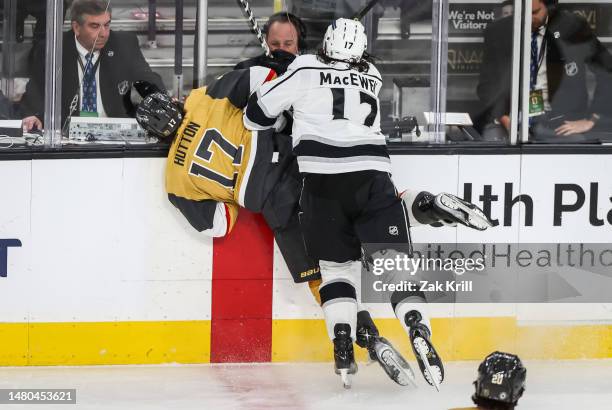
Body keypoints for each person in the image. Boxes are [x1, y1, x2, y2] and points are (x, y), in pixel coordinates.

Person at [134, 62, 418, 387]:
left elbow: (220, 223)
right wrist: (279, 118)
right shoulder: (202, 97)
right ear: (171, 102)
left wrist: (234, 190)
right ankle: (400, 269)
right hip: (300, 166)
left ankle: (370, 339)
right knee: (368, 219)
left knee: (324, 279)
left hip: (276, 206)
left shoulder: (175, 180)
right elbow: (264, 78)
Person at [244, 18, 493, 388]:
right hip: (373, 175)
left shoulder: (304, 66)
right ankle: (418, 325)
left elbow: (255, 117)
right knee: (395, 267)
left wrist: (284, 96)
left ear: (325, 44)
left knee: (337, 272)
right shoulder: (372, 75)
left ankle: (343, 345)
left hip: (322, 184)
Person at [20, 0, 165, 132]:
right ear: (76, 27)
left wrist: (161, 99)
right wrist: (35, 115)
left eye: (107, 25)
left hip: (116, 132)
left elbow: (147, 77)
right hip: (67, 134)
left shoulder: (124, 44)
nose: (103, 33)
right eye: (94, 26)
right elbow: (35, 90)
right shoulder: (54, 48)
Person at [477, 0, 612, 141]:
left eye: (535, 12)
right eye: (523, 12)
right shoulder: (498, 32)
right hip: (511, 118)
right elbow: (487, 86)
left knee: (576, 145)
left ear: (549, 7)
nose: (528, 18)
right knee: (490, 148)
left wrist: (592, 119)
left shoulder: (573, 26)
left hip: (560, 122)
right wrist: (505, 118)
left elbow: (607, 70)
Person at [234, 11, 308, 74]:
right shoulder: (246, 70)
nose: (281, 49)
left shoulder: (309, 72)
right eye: (275, 44)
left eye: (288, 44)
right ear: (266, 42)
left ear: (299, 44)